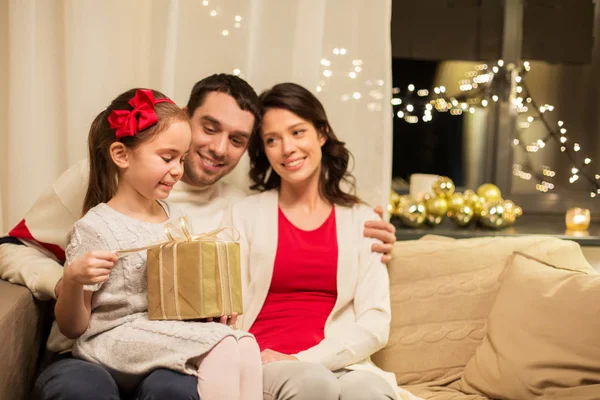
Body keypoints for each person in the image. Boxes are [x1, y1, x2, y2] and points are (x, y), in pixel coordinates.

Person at [0, 74, 397, 400]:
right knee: (82, 387)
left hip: (169, 355)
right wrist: (70, 282)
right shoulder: (102, 174)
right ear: (185, 117)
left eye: (238, 140)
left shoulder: (234, 208)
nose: (219, 148)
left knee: (177, 388)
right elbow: (12, 250)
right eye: (209, 128)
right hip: (89, 346)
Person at [55, 88, 262, 400]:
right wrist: (72, 278)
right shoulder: (95, 227)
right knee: (220, 346)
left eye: (181, 158)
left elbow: (180, 297)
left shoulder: (175, 217)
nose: (178, 170)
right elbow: (74, 328)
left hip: (158, 333)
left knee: (243, 341)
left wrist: (212, 308)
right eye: (167, 158)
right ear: (121, 155)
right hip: (111, 341)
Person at [225, 83, 408, 400]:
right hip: (264, 361)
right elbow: (225, 307)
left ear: (321, 134)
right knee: (312, 383)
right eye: (272, 140)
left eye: (297, 132)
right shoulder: (243, 215)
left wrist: (305, 359)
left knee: (370, 393)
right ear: (264, 151)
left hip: (341, 363)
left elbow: (375, 323)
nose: (287, 148)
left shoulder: (363, 220)